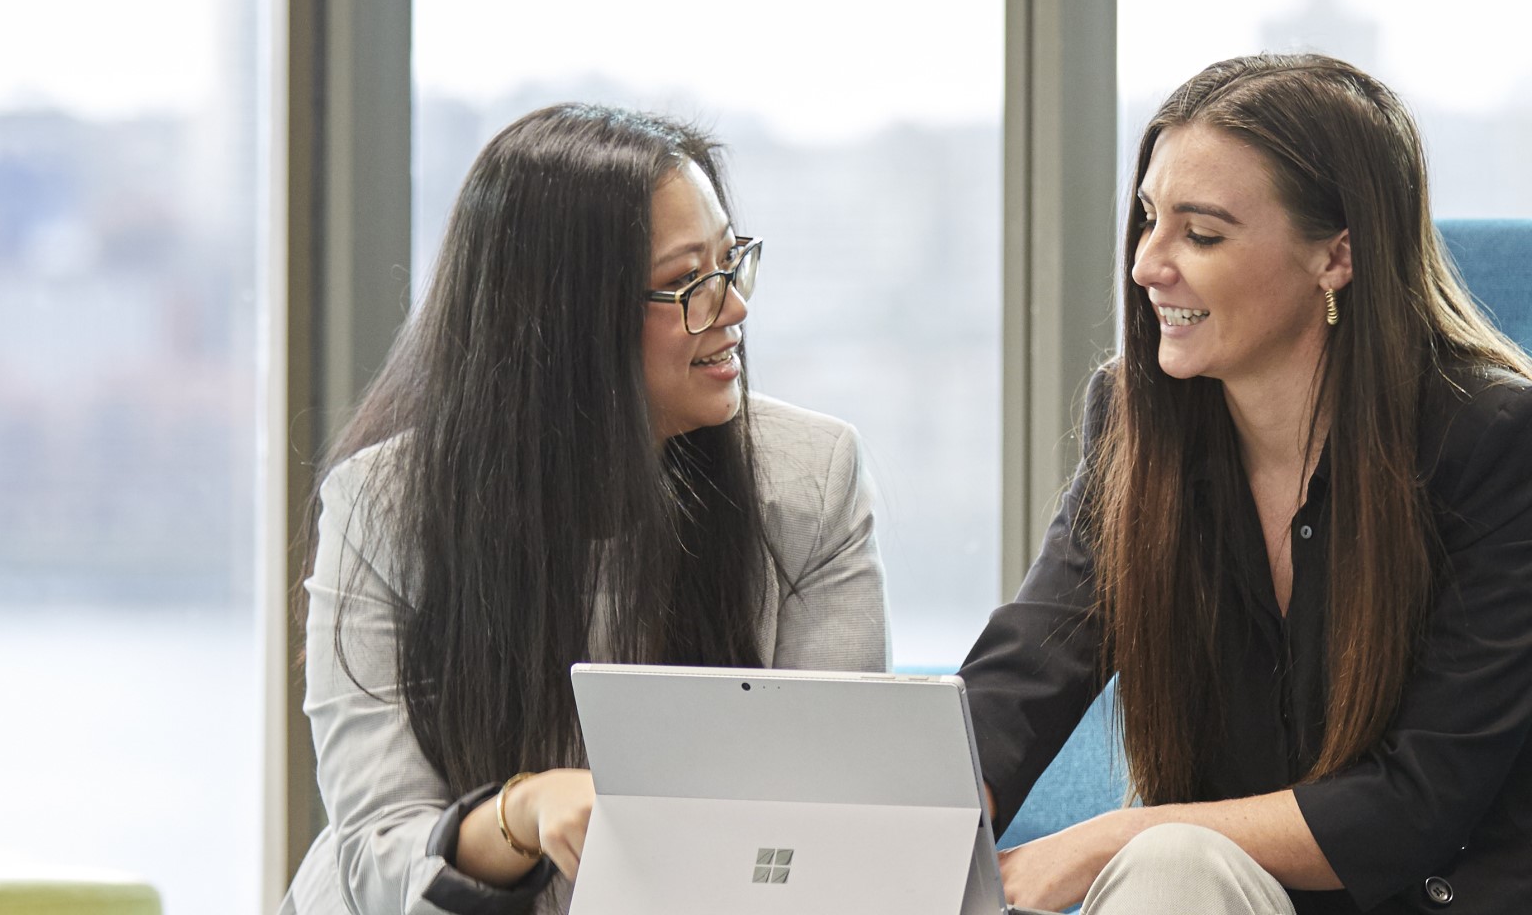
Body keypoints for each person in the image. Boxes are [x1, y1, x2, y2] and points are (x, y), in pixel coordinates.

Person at [278, 103, 887, 915]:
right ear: (563, 320)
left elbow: (829, 815)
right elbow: (377, 854)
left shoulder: (811, 481)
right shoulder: (381, 510)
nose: (733, 308)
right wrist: (521, 814)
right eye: (685, 284)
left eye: (730, 262)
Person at [960, 53, 1532, 915]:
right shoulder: (1136, 419)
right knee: (1173, 869)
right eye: (1149, 220)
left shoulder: (1492, 441)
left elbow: (1417, 802)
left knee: (1168, 861)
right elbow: (1025, 678)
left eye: (1202, 234)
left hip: (1431, 897)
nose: (1148, 264)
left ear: (1336, 255)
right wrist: (904, 828)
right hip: (1224, 898)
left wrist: (1110, 838)